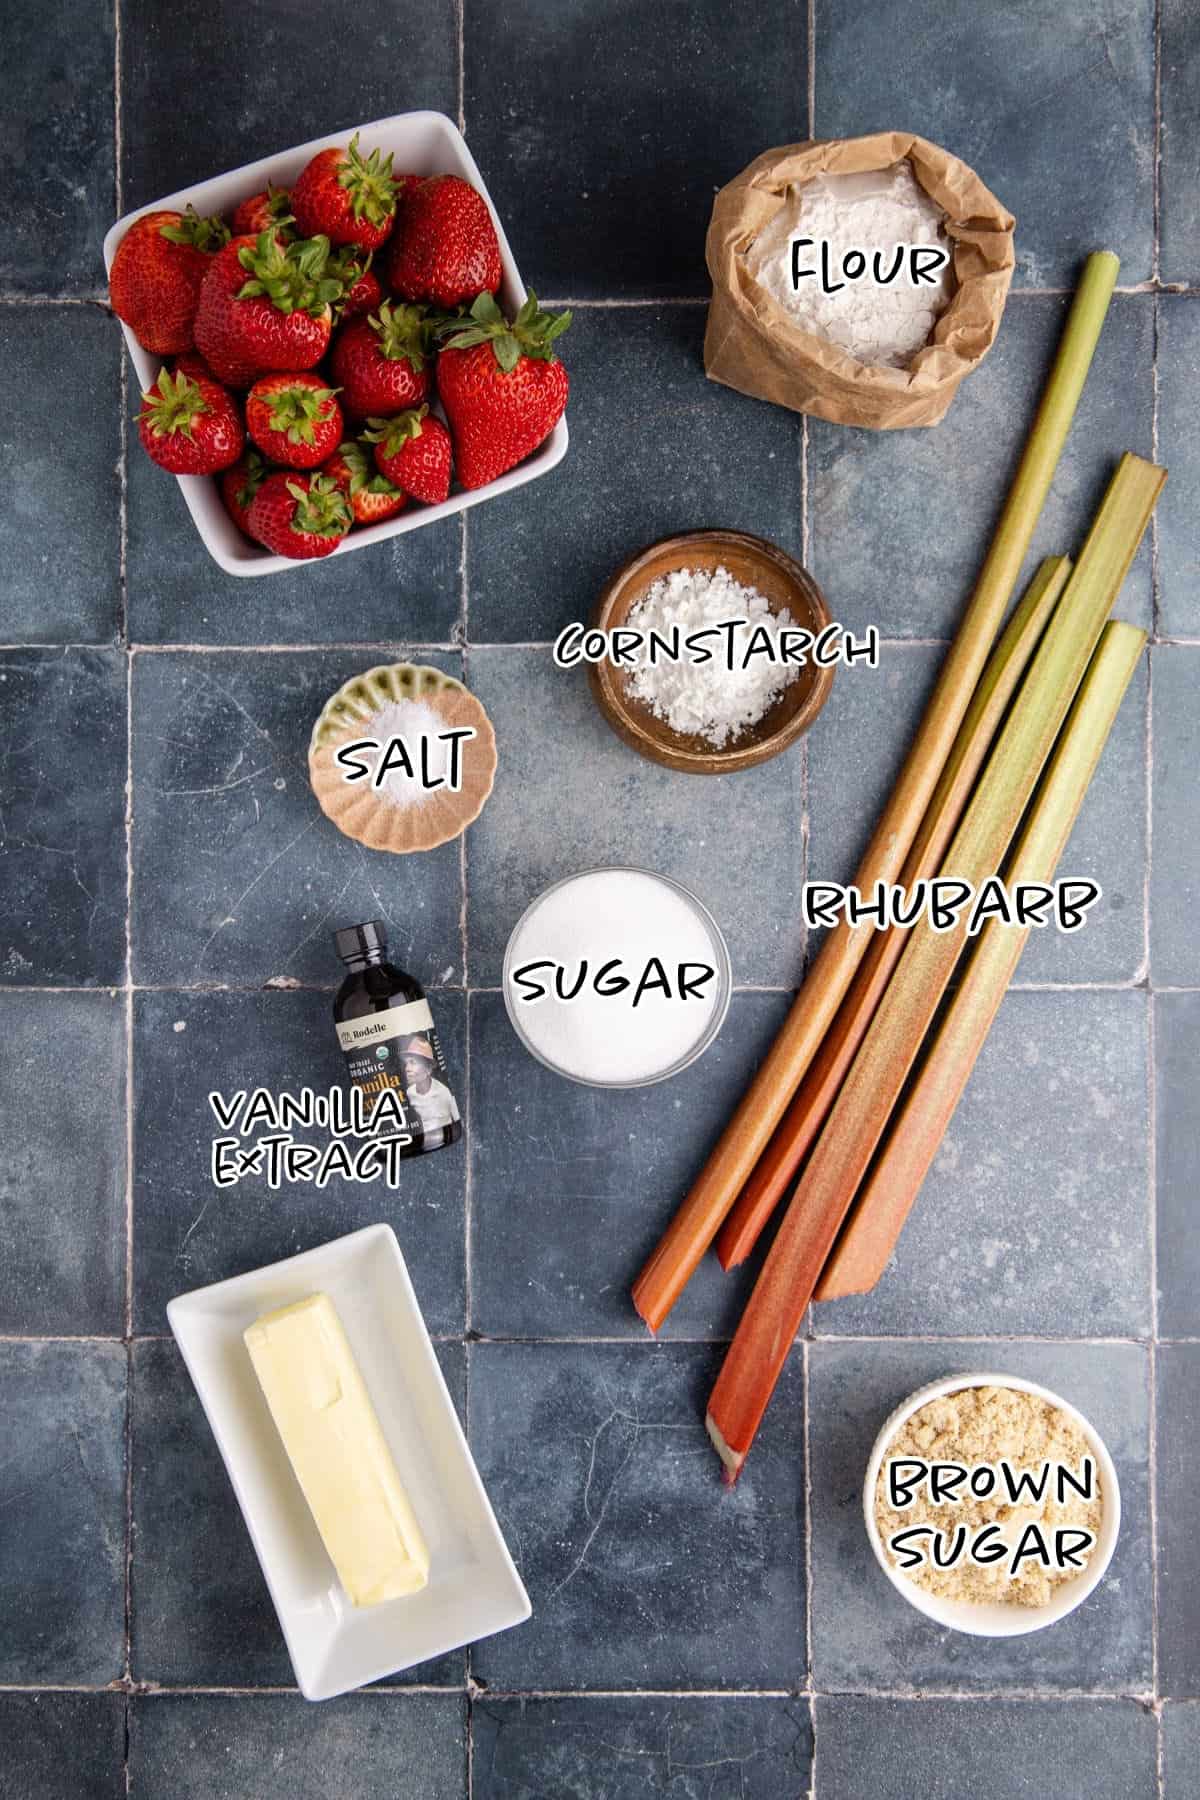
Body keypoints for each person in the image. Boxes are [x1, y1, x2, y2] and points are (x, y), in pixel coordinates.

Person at [400, 1038, 460, 1136]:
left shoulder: (444, 1093)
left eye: (413, 1063)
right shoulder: (409, 1093)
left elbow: (458, 1120)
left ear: (428, 1069)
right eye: (406, 1063)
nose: (407, 1069)